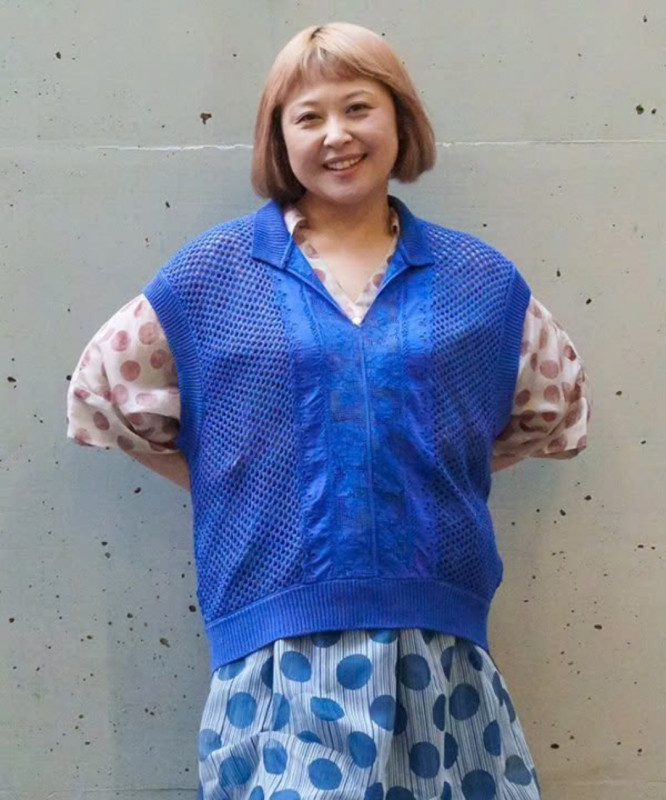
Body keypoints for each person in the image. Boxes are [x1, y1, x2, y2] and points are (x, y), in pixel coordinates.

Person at [66, 21, 591, 800]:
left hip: (440, 651)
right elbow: (102, 396)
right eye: (308, 116)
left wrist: (418, 470)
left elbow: (547, 412)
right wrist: (232, 481)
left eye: (358, 107)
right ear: (279, 138)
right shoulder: (212, 277)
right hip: (275, 655)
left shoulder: (480, 281)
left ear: (400, 119)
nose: (337, 135)